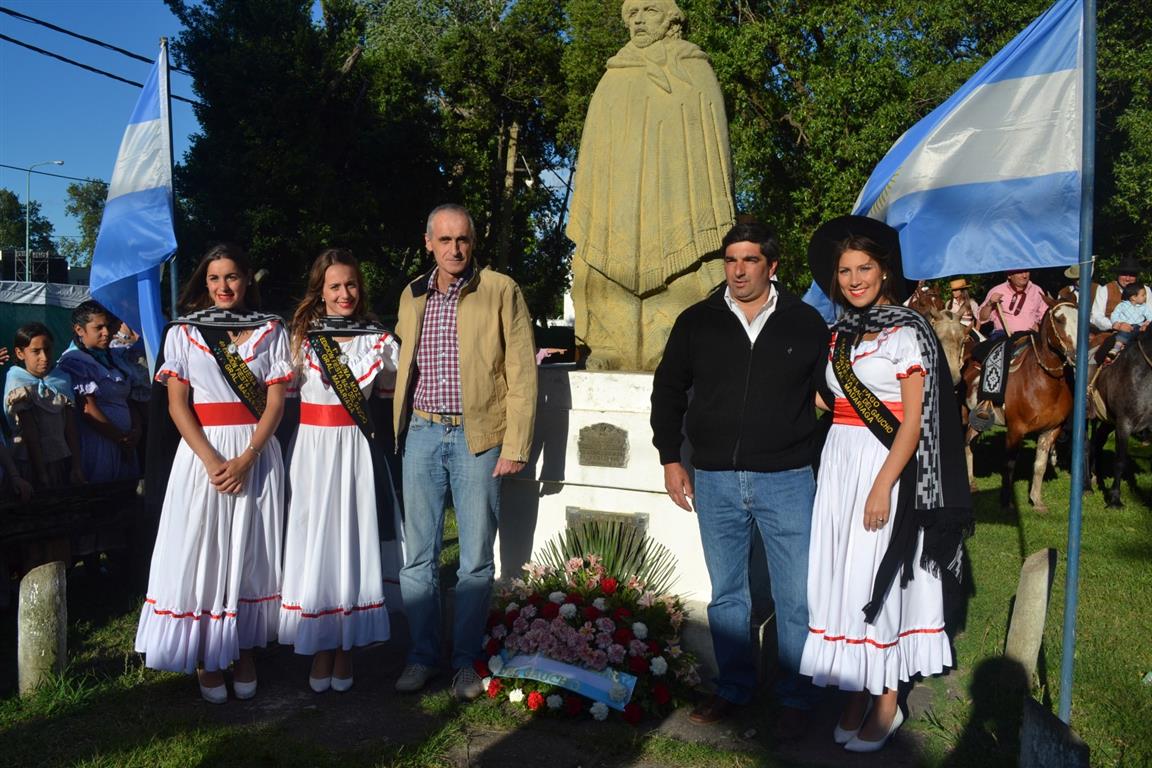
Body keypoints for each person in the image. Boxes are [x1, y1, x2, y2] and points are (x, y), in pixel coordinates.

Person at [799, 216, 970, 753]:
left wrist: (881, 487)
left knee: (880, 576)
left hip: (885, 466)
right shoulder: (838, 335)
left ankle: (888, 698)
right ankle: (856, 686)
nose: (854, 279)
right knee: (844, 576)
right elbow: (828, 402)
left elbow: (914, 421)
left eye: (864, 268)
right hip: (839, 466)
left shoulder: (906, 331)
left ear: (884, 271)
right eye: (845, 270)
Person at [650, 221, 829, 728]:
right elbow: (668, 391)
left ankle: (795, 694)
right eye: (731, 260)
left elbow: (832, 396)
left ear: (772, 266)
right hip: (716, 480)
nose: (739, 270)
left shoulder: (806, 323)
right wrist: (670, 457)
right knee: (729, 593)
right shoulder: (697, 322)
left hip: (788, 478)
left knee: (795, 595)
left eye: (750, 260)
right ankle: (734, 687)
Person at [134, 243, 292, 704]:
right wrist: (211, 460)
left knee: (250, 549)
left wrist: (247, 458)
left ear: (247, 280)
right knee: (202, 549)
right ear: (204, 283)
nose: (223, 287)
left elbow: (277, 403)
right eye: (214, 278)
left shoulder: (271, 329)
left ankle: (241, 647)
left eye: (232, 277)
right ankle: (206, 652)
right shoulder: (184, 332)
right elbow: (177, 405)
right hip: (202, 455)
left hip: (255, 453)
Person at [392, 204, 538, 700]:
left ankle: (465, 663)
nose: (455, 249)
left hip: (480, 437)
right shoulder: (412, 294)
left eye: (463, 240)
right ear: (429, 243)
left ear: (473, 243)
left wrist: (515, 443)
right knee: (419, 558)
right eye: (445, 240)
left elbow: (522, 372)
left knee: (475, 558)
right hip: (423, 433)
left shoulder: (500, 289)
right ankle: (422, 656)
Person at [567, 0, 734, 370]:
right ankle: (610, 346)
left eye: (650, 11)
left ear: (672, 19)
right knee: (608, 268)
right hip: (620, 201)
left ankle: (672, 347)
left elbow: (711, 142)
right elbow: (595, 150)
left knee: (682, 276)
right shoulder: (615, 73)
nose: (639, 20)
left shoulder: (694, 69)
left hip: (678, 197)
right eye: (633, 14)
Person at [279, 249, 401, 693]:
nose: (344, 293)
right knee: (316, 541)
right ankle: (319, 644)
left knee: (351, 540)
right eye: (335, 286)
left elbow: (393, 396)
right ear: (321, 291)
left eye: (351, 285)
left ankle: (346, 646)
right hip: (312, 451)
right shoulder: (298, 339)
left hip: (354, 452)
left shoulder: (378, 341)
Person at [55, 301, 146, 483]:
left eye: (107, 326)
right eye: (98, 328)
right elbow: (88, 410)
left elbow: (127, 400)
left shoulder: (113, 357)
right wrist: (120, 439)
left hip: (125, 444)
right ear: (80, 330)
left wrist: (136, 430)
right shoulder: (74, 362)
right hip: (98, 445)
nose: (106, 332)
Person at [3, 323, 84, 490]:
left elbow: (70, 427)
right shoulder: (18, 382)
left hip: (60, 458)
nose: (44, 357)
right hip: (30, 463)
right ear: (20, 353)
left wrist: (76, 465)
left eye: (47, 349)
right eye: (36, 351)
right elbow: (30, 432)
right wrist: (42, 473)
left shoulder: (60, 379)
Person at [977, 269, 1048, 339]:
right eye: (1019, 272)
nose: (1024, 275)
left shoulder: (1037, 290)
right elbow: (982, 318)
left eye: (1026, 271)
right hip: (1003, 336)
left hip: (1030, 337)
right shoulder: (997, 290)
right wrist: (989, 304)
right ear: (1009, 275)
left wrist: (1039, 326)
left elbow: (1046, 315)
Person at [1090, 256, 1144, 332]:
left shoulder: (1146, 290)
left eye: (1132, 275)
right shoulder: (1105, 289)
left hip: (1141, 334)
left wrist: (1146, 324)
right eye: (1124, 274)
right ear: (1118, 274)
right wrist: (1115, 325)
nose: (1127, 279)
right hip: (1111, 333)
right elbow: (1096, 316)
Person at [1106, 283, 1152, 358]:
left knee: (1143, 336)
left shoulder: (1144, 307)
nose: (1145, 297)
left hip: (1138, 326)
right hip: (1125, 326)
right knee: (1123, 334)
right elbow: (1114, 314)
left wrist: (1147, 323)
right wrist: (1116, 323)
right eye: (1143, 295)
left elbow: (1150, 315)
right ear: (1134, 297)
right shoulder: (1122, 305)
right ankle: (1116, 348)